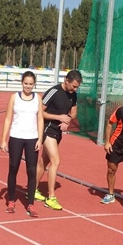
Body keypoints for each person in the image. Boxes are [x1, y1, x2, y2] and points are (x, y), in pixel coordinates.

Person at [34, 70, 83, 210]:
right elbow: (40, 112)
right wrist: (59, 117)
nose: (75, 89)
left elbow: (74, 113)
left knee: (44, 161)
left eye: (77, 87)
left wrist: (67, 120)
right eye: (73, 86)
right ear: (66, 80)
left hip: (58, 131)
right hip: (47, 128)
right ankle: (51, 197)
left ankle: (32, 189)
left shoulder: (73, 95)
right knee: (56, 160)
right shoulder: (53, 92)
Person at [0, 71, 44, 217]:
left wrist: (40, 139)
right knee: (13, 167)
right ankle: (11, 200)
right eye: (26, 83)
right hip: (16, 137)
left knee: (31, 171)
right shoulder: (14, 97)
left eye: (31, 84)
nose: (28, 86)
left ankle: (30, 204)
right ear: (22, 83)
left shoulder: (37, 98)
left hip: (32, 138)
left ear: (34, 84)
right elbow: (7, 119)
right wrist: (3, 139)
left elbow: (40, 120)